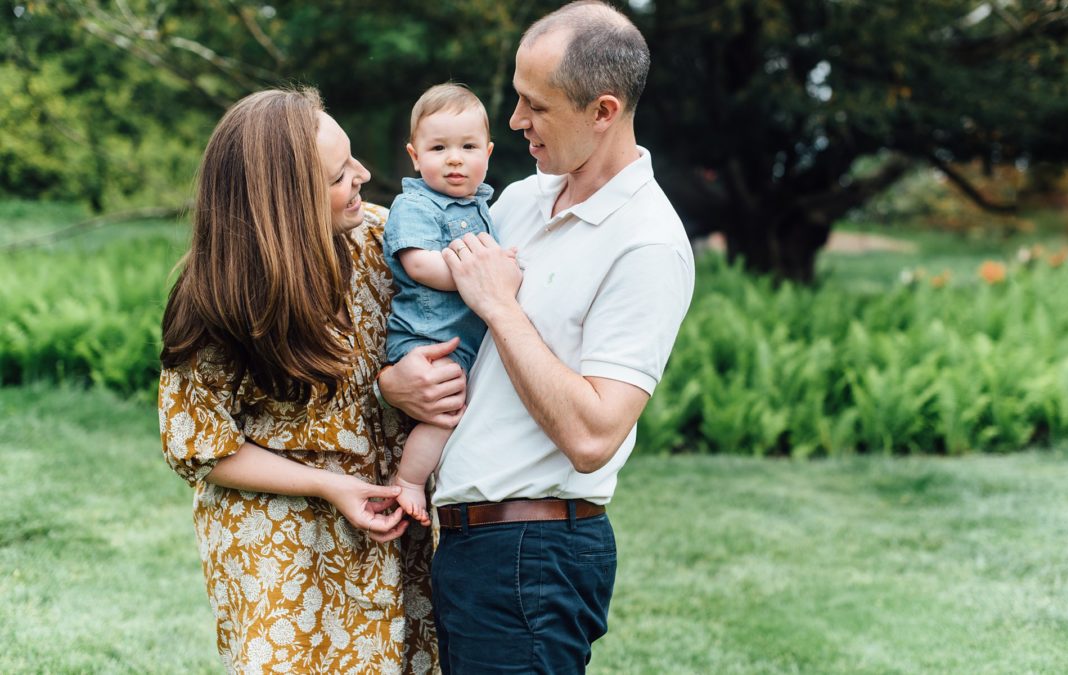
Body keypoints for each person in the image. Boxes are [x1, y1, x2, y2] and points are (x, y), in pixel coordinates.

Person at [425, 2, 696, 672]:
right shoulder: (519, 198)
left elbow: (592, 435)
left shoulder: (648, 243)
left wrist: (501, 307)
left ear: (603, 111)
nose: (515, 122)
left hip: (533, 558)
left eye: (535, 106)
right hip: (468, 547)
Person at [157, 87, 459, 674]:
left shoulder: (383, 242)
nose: (365, 175)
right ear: (287, 202)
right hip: (281, 538)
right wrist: (327, 486)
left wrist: (395, 385)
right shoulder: (218, 295)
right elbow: (197, 446)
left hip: (396, 519)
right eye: (341, 173)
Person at [382, 83, 509, 525]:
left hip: (460, 343)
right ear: (415, 156)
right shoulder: (414, 204)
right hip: (426, 341)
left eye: (468, 146)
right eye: (439, 148)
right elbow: (419, 265)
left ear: (488, 153)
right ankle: (410, 481)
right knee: (445, 416)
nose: (455, 158)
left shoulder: (484, 206)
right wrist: (483, 274)